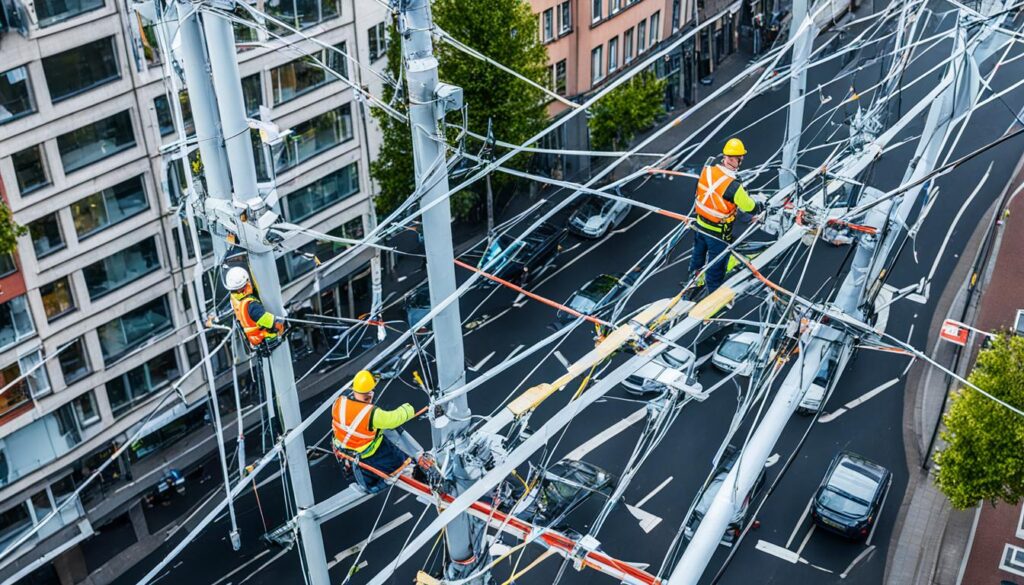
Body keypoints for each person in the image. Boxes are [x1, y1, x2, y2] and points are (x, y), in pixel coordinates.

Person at [688, 138, 764, 294]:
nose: (740, 161)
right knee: (716, 267)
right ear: (737, 159)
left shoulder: (707, 171)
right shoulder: (733, 186)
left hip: (700, 224)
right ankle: (712, 298)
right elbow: (749, 206)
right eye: (740, 158)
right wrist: (760, 207)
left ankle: (693, 277)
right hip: (718, 233)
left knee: (698, 253)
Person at [332, 370, 419, 493]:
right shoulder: (371, 414)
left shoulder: (339, 402)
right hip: (371, 453)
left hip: (345, 447)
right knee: (400, 464)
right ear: (369, 394)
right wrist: (408, 408)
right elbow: (393, 420)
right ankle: (404, 476)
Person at [225, 266, 285, 348]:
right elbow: (266, 320)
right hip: (266, 338)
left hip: (255, 340)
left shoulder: (235, 299)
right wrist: (278, 324)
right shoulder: (251, 305)